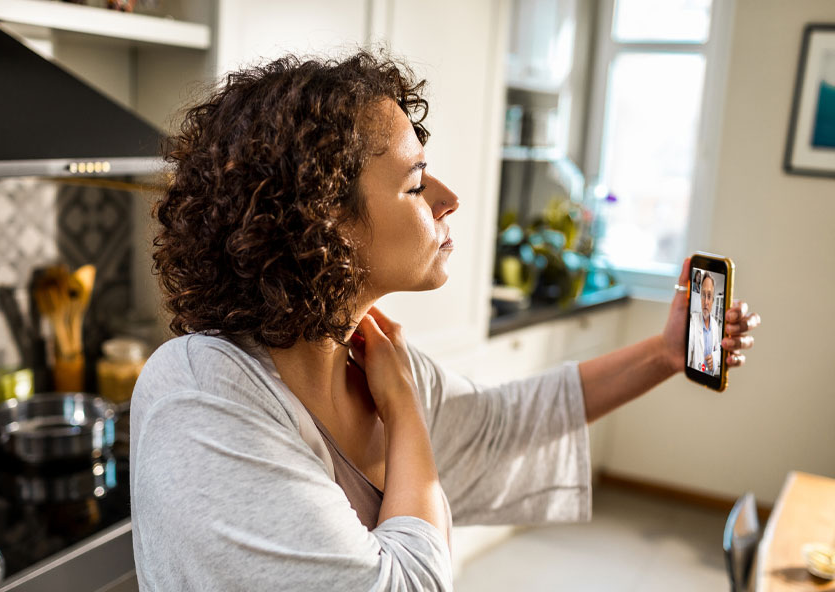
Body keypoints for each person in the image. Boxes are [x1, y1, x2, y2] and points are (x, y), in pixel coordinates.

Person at [130, 51, 761, 592]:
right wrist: (405, 413)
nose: (449, 198)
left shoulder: (365, 357)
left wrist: (663, 354)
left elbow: (502, 425)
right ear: (326, 221)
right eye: (415, 183)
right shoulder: (201, 389)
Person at [688, 273, 722, 374]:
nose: (706, 301)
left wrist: (714, 361)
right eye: (703, 295)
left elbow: (718, 349)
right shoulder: (692, 323)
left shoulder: (715, 325)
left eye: (709, 296)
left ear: (713, 300)